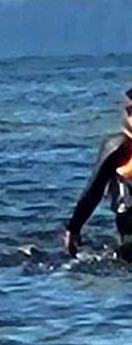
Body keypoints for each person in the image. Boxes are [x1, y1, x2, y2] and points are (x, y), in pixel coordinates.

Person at [64, 87, 132, 258]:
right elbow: (94, 190)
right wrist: (74, 228)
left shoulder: (118, 147)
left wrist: (73, 229)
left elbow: (94, 191)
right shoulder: (118, 147)